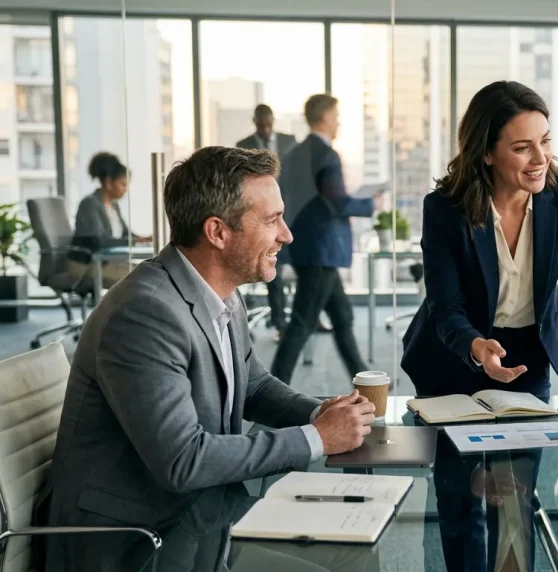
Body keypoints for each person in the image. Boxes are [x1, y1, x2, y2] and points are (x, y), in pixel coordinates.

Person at [44, 146, 377, 571]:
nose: (287, 235)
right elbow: (183, 460)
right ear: (217, 232)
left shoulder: (220, 292)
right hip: (138, 542)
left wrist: (319, 413)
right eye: (272, 220)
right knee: (346, 559)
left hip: (201, 514)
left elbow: (253, 385)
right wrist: (317, 439)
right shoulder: (144, 313)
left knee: (353, 543)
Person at [401, 80, 558, 402]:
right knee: (452, 436)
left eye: (545, 141)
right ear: (486, 153)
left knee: (529, 434)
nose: (541, 158)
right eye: (522, 148)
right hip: (456, 352)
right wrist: (476, 346)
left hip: (528, 356)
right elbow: (445, 305)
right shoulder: (445, 209)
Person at [271, 94, 381, 384]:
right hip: (322, 251)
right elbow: (337, 202)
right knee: (301, 324)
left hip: (305, 246)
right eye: (336, 116)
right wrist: (370, 204)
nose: (339, 122)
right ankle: (274, 386)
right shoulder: (327, 155)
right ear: (323, 118)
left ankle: (364, 378)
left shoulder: (294, 153)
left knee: (342, 317)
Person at [237, 104, 298, 337]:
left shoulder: (289, 141)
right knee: (273, 269)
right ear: (254, 122)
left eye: (269, 124)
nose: (265, 129)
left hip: (290, 215)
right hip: (260, 217)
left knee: (299, 270)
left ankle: (298, 320)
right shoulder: (243, 145)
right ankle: (279, 323)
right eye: (261, 125)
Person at [67, 152, 148, 288]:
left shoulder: (113, 205)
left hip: (106, 263)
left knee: (149, 274)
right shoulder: (90, 204)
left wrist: (142, 239)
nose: (126, 190)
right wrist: (134, 241)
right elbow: (100, 241)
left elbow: (125, 233)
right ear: (108, 182)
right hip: (85, 265)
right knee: (141, 280)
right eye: (123, 184)